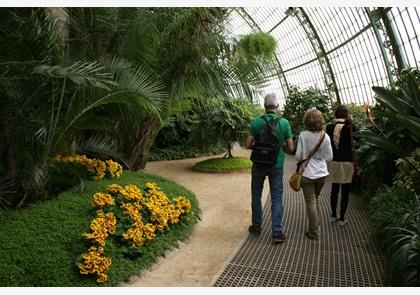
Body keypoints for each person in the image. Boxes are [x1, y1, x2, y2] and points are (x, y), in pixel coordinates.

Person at [245, 93, 294, 243]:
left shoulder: (256, 122)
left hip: (259, 164)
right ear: (277, 106)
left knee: (256, 194)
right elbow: (291, 147)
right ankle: (277, 232)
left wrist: (260, 148)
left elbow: (247, 145)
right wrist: (278, 147)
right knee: (277, 198)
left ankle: (256, 226)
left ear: (264, 106)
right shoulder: (284, 123)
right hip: (276, 164)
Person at [295, 108, 333, 240]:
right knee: (316, 198)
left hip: (307, 173)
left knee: (310, 201)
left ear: (307, 121)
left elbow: (298, 156)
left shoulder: (303, 136)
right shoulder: (325, 136)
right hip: (321, 174)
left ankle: (314, 232)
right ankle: (317, 223)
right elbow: (329, 157)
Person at [326, 105, 354, 226]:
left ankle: (333, 215)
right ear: (346, 115)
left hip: (334, 162)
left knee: (334, 188)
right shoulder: (349, 127)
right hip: (348, 162)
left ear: (335, 115)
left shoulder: (329, 127)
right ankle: (342, 219)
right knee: (345, 191)